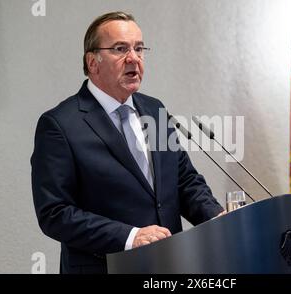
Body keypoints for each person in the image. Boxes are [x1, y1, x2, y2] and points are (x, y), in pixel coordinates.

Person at [31, 11, 225, 274]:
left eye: (139, 48)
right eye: (120, 49)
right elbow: (55, 213)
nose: (134, 58)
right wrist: (130, 237)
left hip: (169, 266)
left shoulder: (154, 109)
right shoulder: (60, 125)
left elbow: (184, 181)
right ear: (93, 62)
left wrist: (216, 218)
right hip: (105, 267)